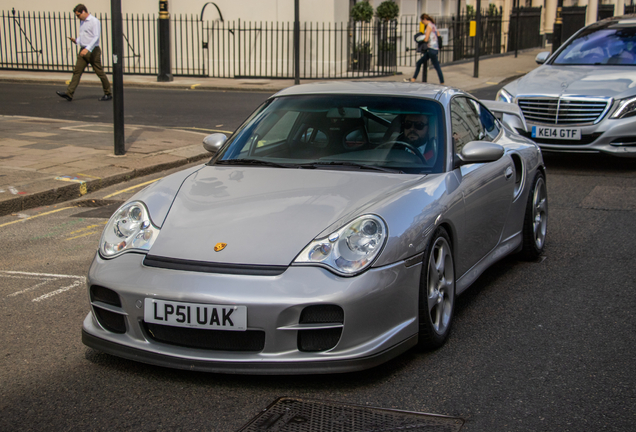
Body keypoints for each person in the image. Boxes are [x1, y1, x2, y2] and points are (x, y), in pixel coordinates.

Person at [56, 4, 112, 102]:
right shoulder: (82, 22)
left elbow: (96, 36)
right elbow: (85, 36)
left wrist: (88, 48)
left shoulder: (94, 21)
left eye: (78, 15)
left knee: (99, 72)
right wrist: (77, 41)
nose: (77, 18)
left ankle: (108, 93)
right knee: (77, 72)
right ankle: (69, 94)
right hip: (83, 50)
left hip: (93, 51)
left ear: (83, 12)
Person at [407, 14, 444, 85]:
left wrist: (420, 39)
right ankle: (413, 79)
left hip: (431, 48)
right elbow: (438, 36)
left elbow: (426, 39)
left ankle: (442, 82)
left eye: (422, 21)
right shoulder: (434, 25)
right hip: (435, 48)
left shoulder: (429, 27)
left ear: (424, 19)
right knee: (420, 62)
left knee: (436, 66)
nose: (422, 23)